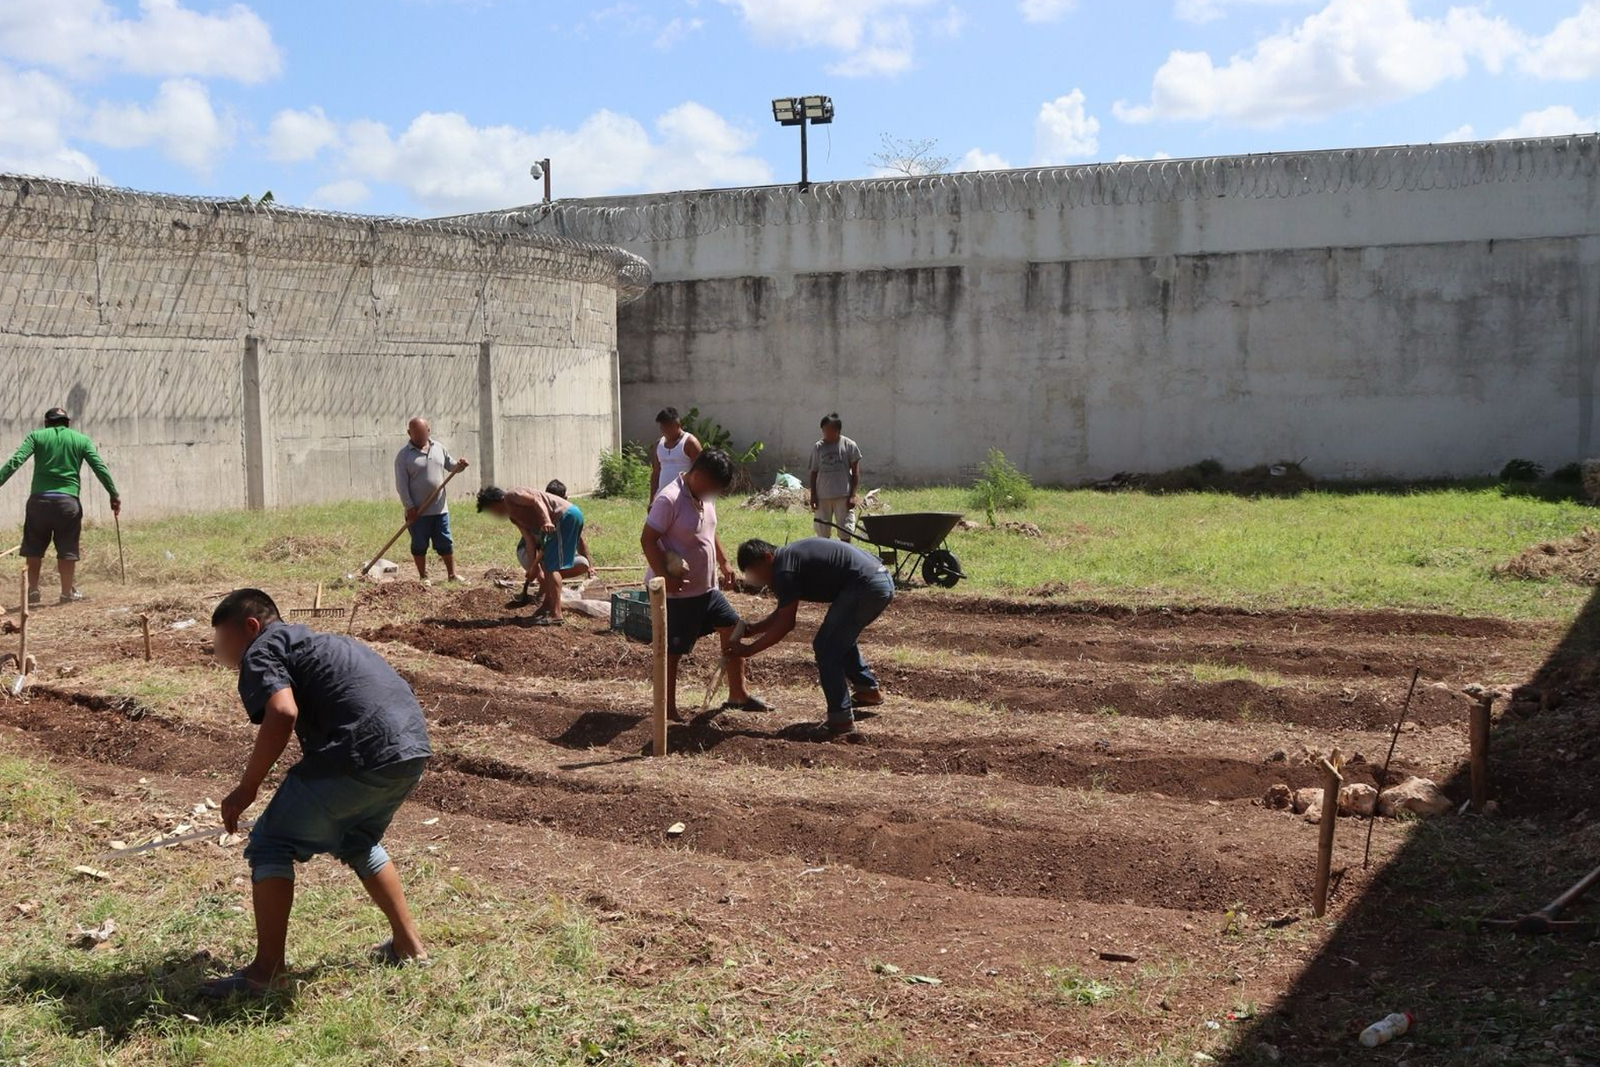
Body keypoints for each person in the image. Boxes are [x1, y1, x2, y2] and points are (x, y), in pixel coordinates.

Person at [205, 588, 432, 998]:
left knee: (270, 844)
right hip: (411, 749)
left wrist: (246, 788)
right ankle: (408, 946)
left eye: (224, 643)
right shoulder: (315, 641)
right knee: (358, 839)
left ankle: (266, 972)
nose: (222, 655)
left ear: (251, 626)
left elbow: (282, 712)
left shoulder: (263, 648)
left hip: (362, 750)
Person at [640, 449, 772, 722]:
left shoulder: (704, 496)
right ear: (698, 475)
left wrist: (723, 562)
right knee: (672, 652)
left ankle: (738, 694)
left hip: (707, 589)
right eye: (714, 486)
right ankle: (666, 710)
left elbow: (709, 531)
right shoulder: (669, 499)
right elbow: (648, 539)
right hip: (679, 595)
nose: (715, 492)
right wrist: (665, 577)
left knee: (733, 628)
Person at [733, 537, 893, 739]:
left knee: (826, 647)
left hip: (866, 585)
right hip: (877, 579)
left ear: (767, 557)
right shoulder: (787, 560)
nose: (761, 580)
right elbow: (783, 612)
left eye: (757, 573)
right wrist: (754, 629)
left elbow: (786, 624)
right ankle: (867, 691)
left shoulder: (784, 570)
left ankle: (841, 720)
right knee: (839, 638)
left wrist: (748, 651)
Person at [0, 406, 120, 605]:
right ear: (68, 423)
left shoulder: (36, 437)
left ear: (46, 423)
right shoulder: (81, 440)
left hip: (39, 502)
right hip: (68, 503)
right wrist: (113, 494)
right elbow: (99, 467)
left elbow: (16, 460)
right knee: (67, 548)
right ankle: (65, 594)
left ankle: (33, 590)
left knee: (34, 547)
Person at [475, 483, 592, 626]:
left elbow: (537, 500)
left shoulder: (512, 495)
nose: (493, 515)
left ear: (493, 503)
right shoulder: (514, 517)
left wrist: (546, 521)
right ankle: (547, 607)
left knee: (552, 567)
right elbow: (529, 541)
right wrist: (533, 568)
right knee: (549, 567)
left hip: (564, 516)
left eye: (490, 511)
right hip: (565, 517)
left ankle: (556, 615)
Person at [393, 416, 468, 582]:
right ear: (409, 433)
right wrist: (410, 507)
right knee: (419, 545)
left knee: (445, 543)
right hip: (417, 512)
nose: (420, 436)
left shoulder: (439, 448)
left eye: (423, 432)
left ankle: (452, 575)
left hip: (440, 509)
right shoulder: (403, 456)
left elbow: (452, 467)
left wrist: (460, 466)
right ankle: (423, 577)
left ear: (429, 431)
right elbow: (401, 486)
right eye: (415, 433)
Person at [809, 413, 862, 542]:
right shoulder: (818, 447)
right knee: (822, 532)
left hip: (843, 495)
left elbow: (855, 473)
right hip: (823, 496)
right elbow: (813, 472)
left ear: (837, 430)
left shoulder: (849, 445)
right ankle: (825, 558)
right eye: (823, 430)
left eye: (828, 429)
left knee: (845, 531)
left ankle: (845, 557)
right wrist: (813, 495)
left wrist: (853, 495)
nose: (825, 432)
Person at [649, 407, 701, 502]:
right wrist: (652, 499)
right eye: (662, 427)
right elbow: (656, 473)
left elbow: (700, 472)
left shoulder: (690, 443)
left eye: (668, 427)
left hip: (685, 498)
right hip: (663, 498)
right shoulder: (658, 445)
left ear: (677, 425)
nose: (665, 430)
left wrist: (696, 498)